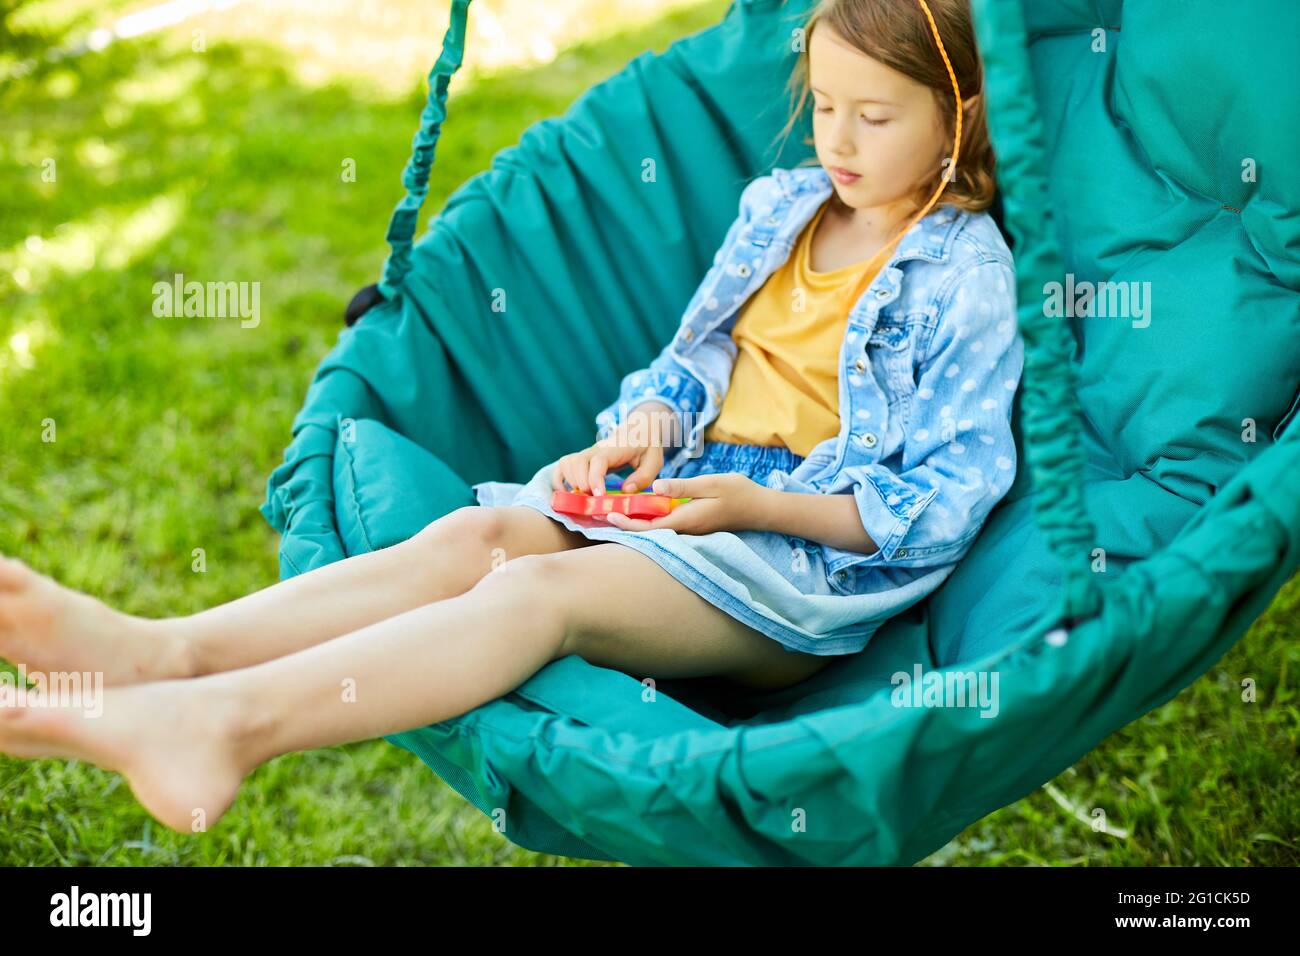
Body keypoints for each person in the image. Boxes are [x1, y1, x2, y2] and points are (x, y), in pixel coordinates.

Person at [0, 0, 1021, 833]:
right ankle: (167, 652)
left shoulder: (965, 276)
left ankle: (227, 723)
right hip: (687, 488)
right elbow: (694, 360)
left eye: (873, 117)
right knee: (477, 535)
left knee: (537, 594)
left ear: (958, 117)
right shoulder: (784, 206)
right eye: (822, 103)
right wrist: (641, 432)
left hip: (798, 568)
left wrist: (759, 503)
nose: (835, 138)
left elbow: (943, 498)